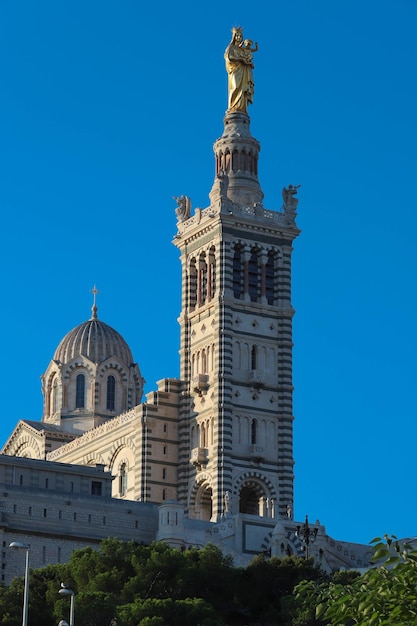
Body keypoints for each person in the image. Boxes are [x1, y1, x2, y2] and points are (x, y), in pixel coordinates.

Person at [224, 27, 257, 114]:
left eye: (240, 36)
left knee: (243, 90)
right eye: (237, 36)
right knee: (235, 87)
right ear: (234, 37)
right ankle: (232, 107)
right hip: (235, 70)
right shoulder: (231, 47)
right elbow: (229, 57)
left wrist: (248, 62)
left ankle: (241, 108)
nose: (239, 38)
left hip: (243, 70)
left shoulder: (241, 49)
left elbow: (247, 57)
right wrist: (241, 60)